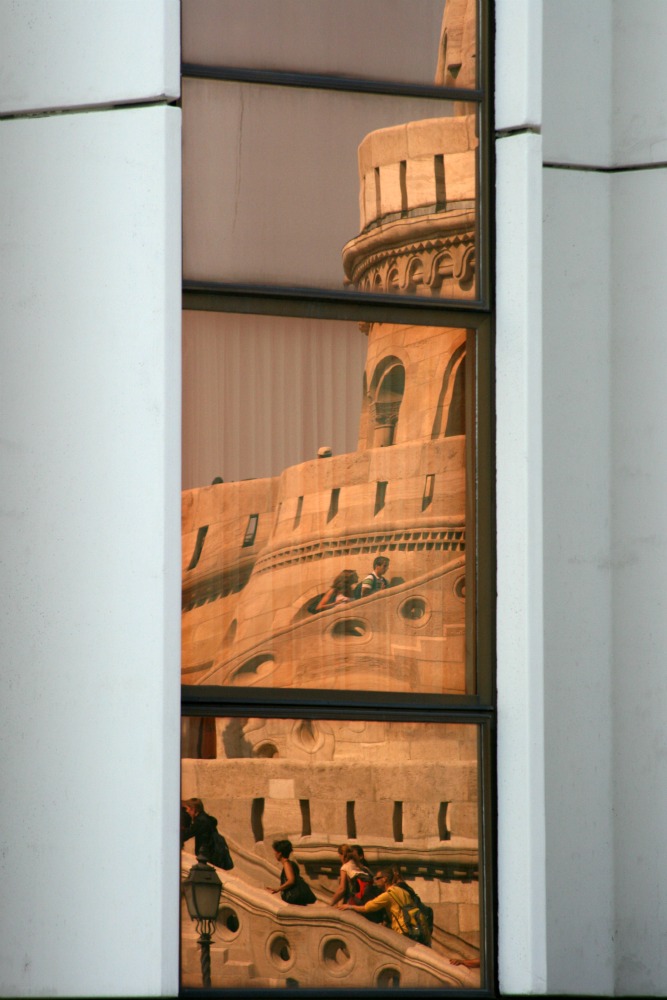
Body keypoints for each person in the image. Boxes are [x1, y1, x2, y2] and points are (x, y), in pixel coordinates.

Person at [342, 867, 429, 942]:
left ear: (385, 879)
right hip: (413, 928)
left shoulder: (388, 895)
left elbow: (367, 908)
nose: (375, 881)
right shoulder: (401, 890)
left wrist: (350, 906)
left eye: (377, 878)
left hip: (403, 931)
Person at [181, 797, 233, 869]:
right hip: (211, 854)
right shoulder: (206, 819)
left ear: (193, 809)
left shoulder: (201, 821)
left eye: (188, 809)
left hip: (206, 856)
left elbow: (186, 835)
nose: (187, 811)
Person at [267, 839, 316, 905]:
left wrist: (278, 889)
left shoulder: (287, 864)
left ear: (279, 853)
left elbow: (291, 880)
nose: (274, 854)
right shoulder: (292, 863)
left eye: (275, 852)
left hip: (294, 897)